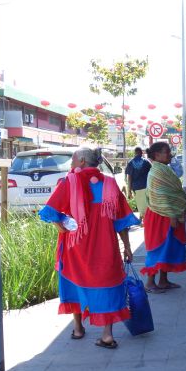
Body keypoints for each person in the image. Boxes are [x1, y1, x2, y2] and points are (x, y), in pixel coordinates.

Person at [38, 147, 139, 349]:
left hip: (75, 247)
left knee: (75, 282)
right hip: (105, 247)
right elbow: (121, 222)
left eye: (73, 159)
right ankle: (107, 335)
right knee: (107, 284)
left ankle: (77, 328)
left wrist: (63, 229)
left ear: (82, 161)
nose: (71, 163)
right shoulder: (110, 184)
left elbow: (50, 212)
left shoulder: (69, 182)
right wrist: (127, 247)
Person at [141, 141, 186, 293]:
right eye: (166, 152)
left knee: (169, 247)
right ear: (157, 155)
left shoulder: (163, 169)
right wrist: (172, 214)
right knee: (158, 247)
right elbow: (161, 196)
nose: (170, 154)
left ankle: (163, 281)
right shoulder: (157, 171)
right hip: (160, 215)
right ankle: (149, 282)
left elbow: (172, 192)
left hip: (167, 214)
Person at [125, 146, 151, 218]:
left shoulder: (130, 163)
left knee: (140, 204)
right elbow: (151, 174)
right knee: (146, 204)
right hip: (146, 186)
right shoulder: (146, 162)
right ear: (141, 153)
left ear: (135, 153)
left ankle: (143, 218)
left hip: (136, 188)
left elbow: (129, 178)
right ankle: (145, 219)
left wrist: (129, 190)